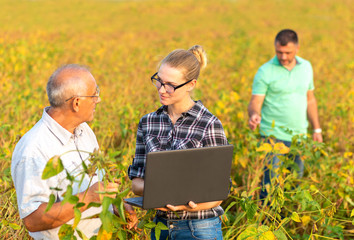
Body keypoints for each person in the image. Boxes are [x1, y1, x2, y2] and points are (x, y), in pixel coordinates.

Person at [11, 64, 137, 240]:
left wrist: (117, 205)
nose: (98, 100)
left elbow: (96, 185)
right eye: (94, 94)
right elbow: (33, 219)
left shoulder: (84, 130)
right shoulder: (34, 149)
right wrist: (87, 198)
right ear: (76, 103)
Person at [128, 45, 228, 240]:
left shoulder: (209, 123)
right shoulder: (148, 122)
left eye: (171, 85)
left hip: (200, 228)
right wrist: (158, 194)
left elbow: (219, 191)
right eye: (159, 81)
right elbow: (137, 182)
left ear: (191, 84)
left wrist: (186, 205)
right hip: (161, 227)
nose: (162, 90)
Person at [248, 29, 323, 200]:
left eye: (287, 52)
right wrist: (254, 115)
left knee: (294, 184)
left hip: (299, 136)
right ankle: (269, 223)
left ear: (297, 48)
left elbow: (310, 99)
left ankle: (288, 221)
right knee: (270, 186)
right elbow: (255, 102)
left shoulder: (306, 67)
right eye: (279, 52)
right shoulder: (265, 71)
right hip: (272, 137)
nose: (282, 57)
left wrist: (317, 129)